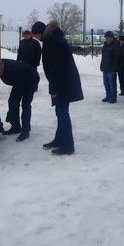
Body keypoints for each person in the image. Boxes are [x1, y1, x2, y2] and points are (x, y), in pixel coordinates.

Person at [31, 20, 83, 155]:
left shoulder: (50, 42)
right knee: (61, 112)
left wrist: (53, 89)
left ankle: (68, 145)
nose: (35, 38)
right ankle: (60, 139)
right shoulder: (54, 38)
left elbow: (55, 67)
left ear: (40, 32)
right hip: (65, 81)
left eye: (35, 35)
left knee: (62, 113)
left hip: (62, 83)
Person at [0, 58, 40, 142]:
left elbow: (18, 90)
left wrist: (10, 112)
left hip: (30, 80)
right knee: (12, 102)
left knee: (25, 105)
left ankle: (25, 131)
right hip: (18, 82)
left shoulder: (15, 69)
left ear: (1, 68)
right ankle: (16, 127)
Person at [99, 31, 119, 103]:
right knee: (106, 83)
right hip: (105, 67)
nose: (106, 39)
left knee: (112, 84)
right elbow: (103, 57)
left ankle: (113, 97)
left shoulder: (115, 45)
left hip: (111, 68)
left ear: (111, 37)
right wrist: (102, 66)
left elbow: (116, 58)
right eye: (106, 37)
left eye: (108, 37)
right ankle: (108, 96)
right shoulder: (105, 45)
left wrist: (114, 68)